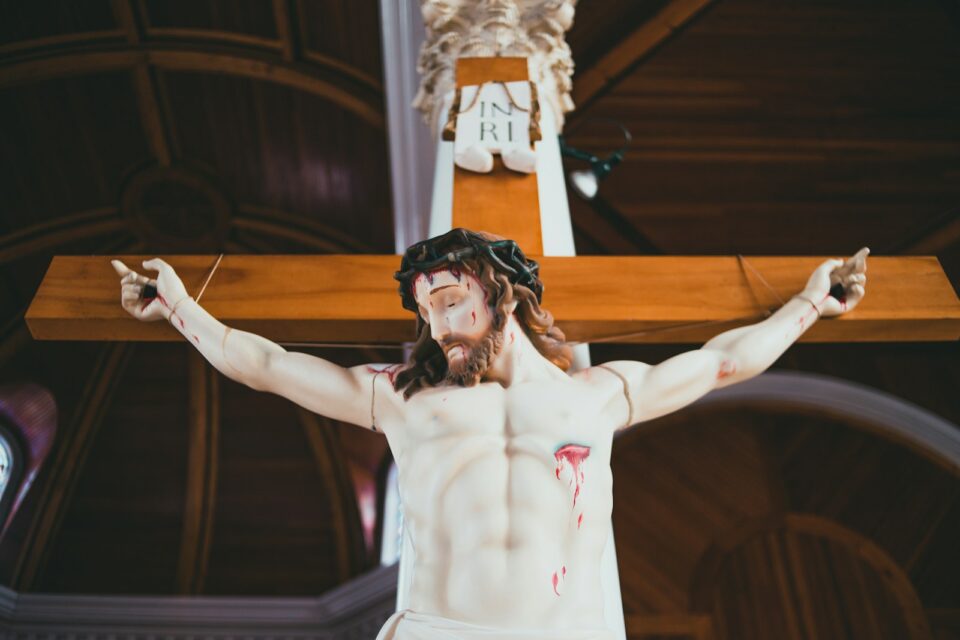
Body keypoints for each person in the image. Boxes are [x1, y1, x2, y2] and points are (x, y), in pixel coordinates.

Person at [112, 228, 868, 639]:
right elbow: (270, 367)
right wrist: (180, 306)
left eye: (448, 300)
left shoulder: (600, 395)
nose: (437, 326)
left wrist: (808, 305)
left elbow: (723, 362)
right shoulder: (404, 400)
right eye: (426, 313)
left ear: (501, 292)